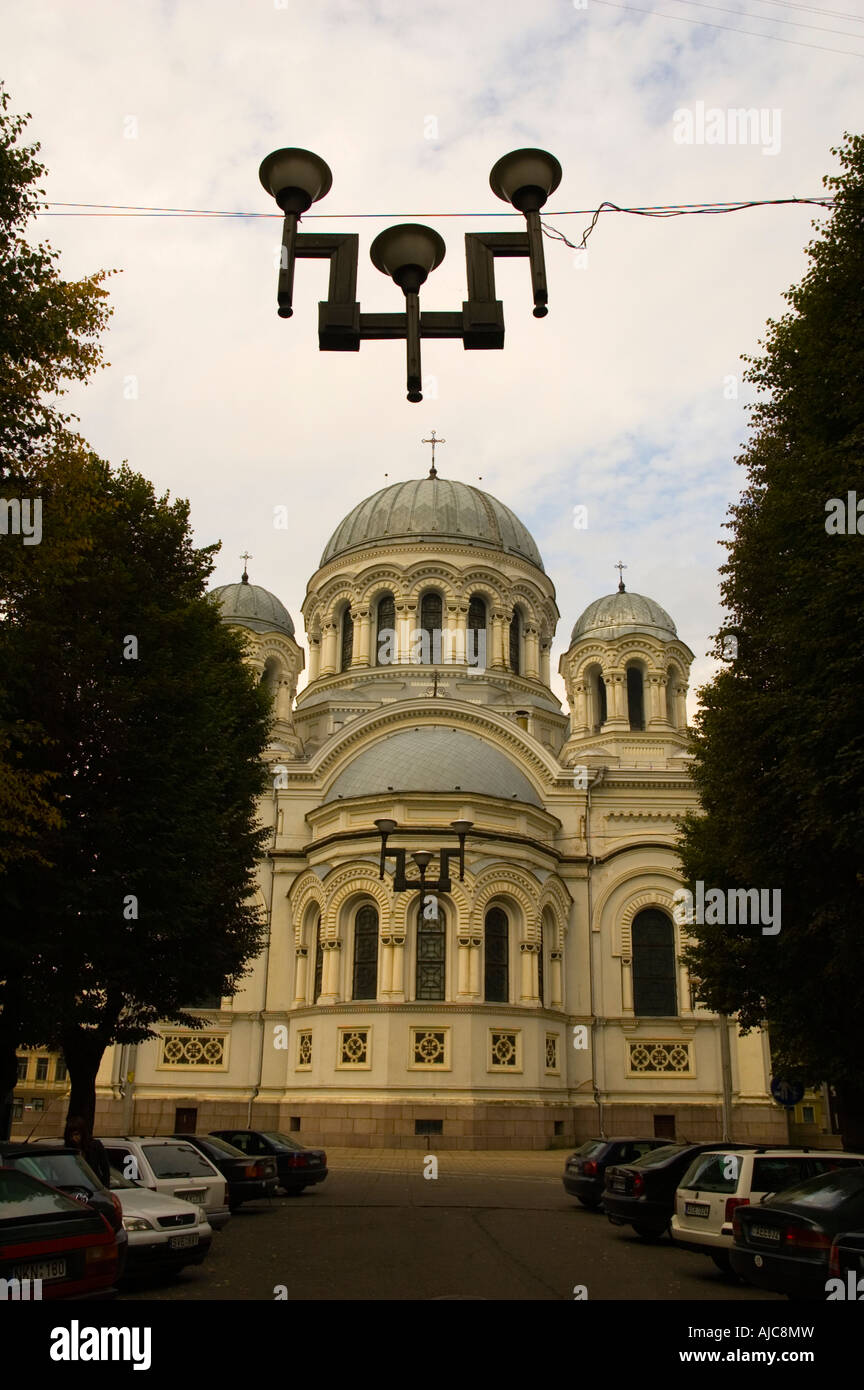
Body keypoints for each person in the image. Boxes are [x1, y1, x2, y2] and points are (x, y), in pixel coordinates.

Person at [64, 1114, 112, 1187]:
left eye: (76, 1134)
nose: (74, 1138)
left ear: (82, 1133)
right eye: (71, 1136)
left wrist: (104, 1188)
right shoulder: (68, 1149)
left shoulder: (95, 1146)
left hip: (94, 1187)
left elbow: (105, 1169)